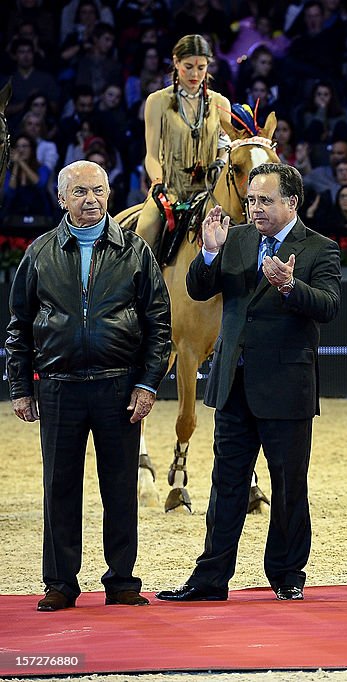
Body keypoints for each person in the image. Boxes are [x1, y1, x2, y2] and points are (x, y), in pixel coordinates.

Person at [156, 163, 342, 602]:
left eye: (265, 200)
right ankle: (210, 577)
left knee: (288, 484)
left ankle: (287, 573)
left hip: (285, 386)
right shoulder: (235, 238)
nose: (254, 208)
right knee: (226, 485)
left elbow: (330, 307)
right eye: (252, 199)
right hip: (232, 384)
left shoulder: (320, 248)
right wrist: (207, 253)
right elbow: (199, 290)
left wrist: (290, 286)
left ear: (291, 203)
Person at [6, 160, 171, 612]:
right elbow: (18, 325)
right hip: (58, 387)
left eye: (98, 190)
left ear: (109, 194)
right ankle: (60, 583)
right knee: (59, 487)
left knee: (120, 487)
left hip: (119, 388)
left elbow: (159, 324)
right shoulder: (38, 253)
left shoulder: (135, 251)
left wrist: (148, 384)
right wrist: (20, 386)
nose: (91, 200)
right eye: (79, 192)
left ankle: (122, 581)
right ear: (61, 199)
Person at [136, 34, 231, 255]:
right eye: (188, 66)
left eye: (201, 67)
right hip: (170, 190)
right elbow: (151, 155)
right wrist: (158, 184)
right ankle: (137, 286)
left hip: (210, 191)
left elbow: (225, 145)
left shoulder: (220, 103)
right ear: (176, 62)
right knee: (145, 230)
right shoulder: (156, 101)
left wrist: (220, 162)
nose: (195, 74)